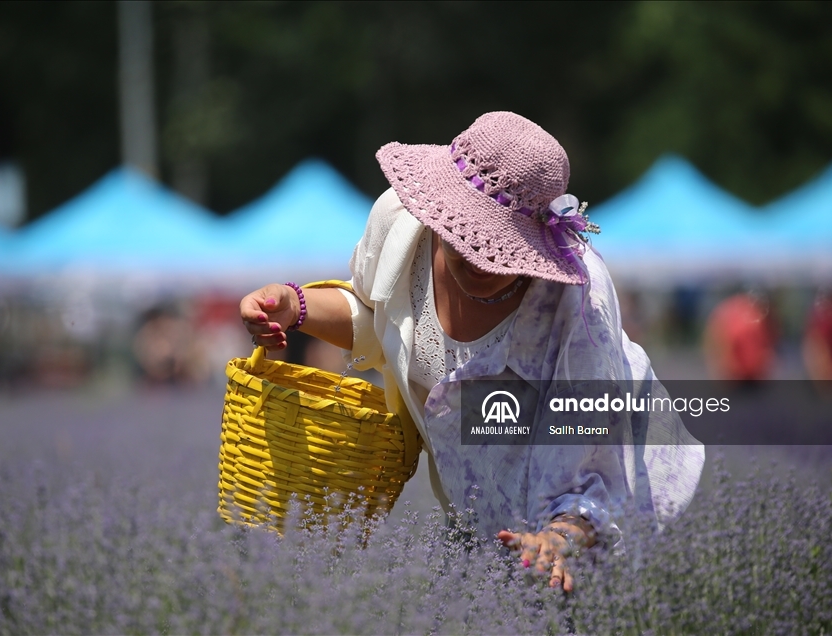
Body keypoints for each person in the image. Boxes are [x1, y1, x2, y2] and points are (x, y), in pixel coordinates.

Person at [241, 112, 704, 592]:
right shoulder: (400, 226)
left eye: (498, 249)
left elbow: (591, 460)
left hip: (605, 504)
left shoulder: (576, 305)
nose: (476, 256)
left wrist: (561, 538)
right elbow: (374, 313)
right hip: (478, 505)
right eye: (462, 235)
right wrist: (294, 305)